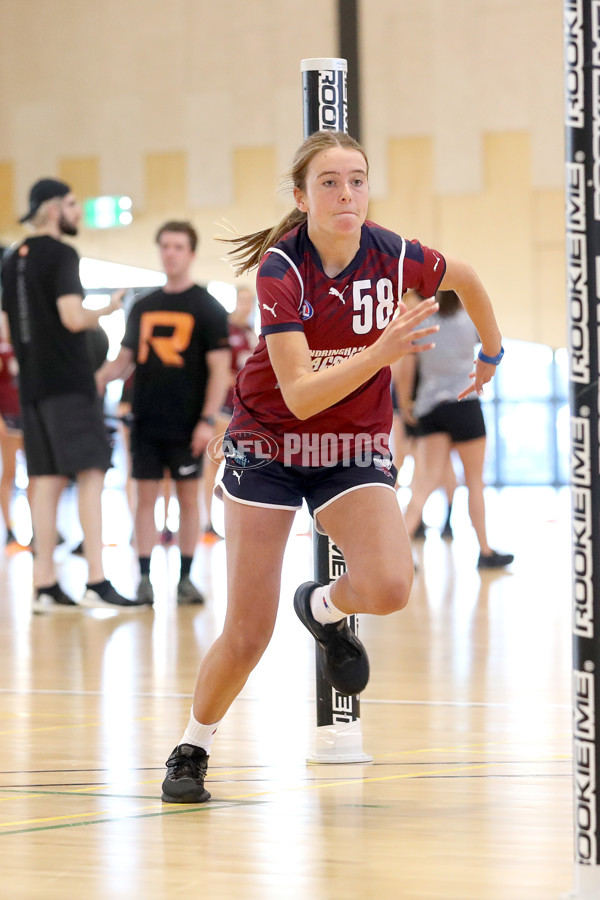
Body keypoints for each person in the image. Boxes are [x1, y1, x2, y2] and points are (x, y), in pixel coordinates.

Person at [159, 130, 506, 804]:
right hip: (269, 443)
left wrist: (491, 354)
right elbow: (299, 392)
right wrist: (381, 351)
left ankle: (320, 607)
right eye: (329, 182)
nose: (346, 193)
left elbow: (464, 276)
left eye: (357, 179)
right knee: (247, 630)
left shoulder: (394, 253)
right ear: (301, 195)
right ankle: (192, 746)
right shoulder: (283, 269)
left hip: (348, 448)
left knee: (387, 586)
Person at [0, 177, 149, 612]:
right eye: (70, 203)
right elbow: (70, 316)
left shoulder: (12, 259)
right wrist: (106, 309)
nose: (76, 211)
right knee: (91, 474)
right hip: (68, 383)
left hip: (31, 387)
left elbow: (7, 328)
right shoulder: (61, 252)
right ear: (51, 209)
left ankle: (44, 585)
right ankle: (96, 580)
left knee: (44, 481)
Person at [96, 221, 231, 606]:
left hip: (189, 423)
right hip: (146, 420)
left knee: (190, 500)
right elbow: (123, 360)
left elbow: (220, 371)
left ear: (191, 253)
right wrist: (94, 382)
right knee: (145, 499)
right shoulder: (142, 306)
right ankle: (143, 578)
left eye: (178, 246)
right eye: (165, 245)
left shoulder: (208, 308)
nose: (170, 252)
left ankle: (185, 579)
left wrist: (207, 421)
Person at [398, 289, 513, 568]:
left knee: (423, 484)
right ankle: (484, 551)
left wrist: (405, 407)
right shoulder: (469, 319)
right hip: (466, 404)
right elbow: (493, 347)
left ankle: (398, 554)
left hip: (431, 407)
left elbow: (406, 370)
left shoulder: (422, 321)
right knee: (474, 482)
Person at [202, 284, 258, 536]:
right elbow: (222, 373)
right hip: (225, 407)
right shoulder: (226, 329)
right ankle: (206, 521)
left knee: (241, 465)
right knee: (214, 462)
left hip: (245, 408)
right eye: (243, 300)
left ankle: (238, 520)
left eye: (251, 301)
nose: (246, 306)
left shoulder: (250, 332)